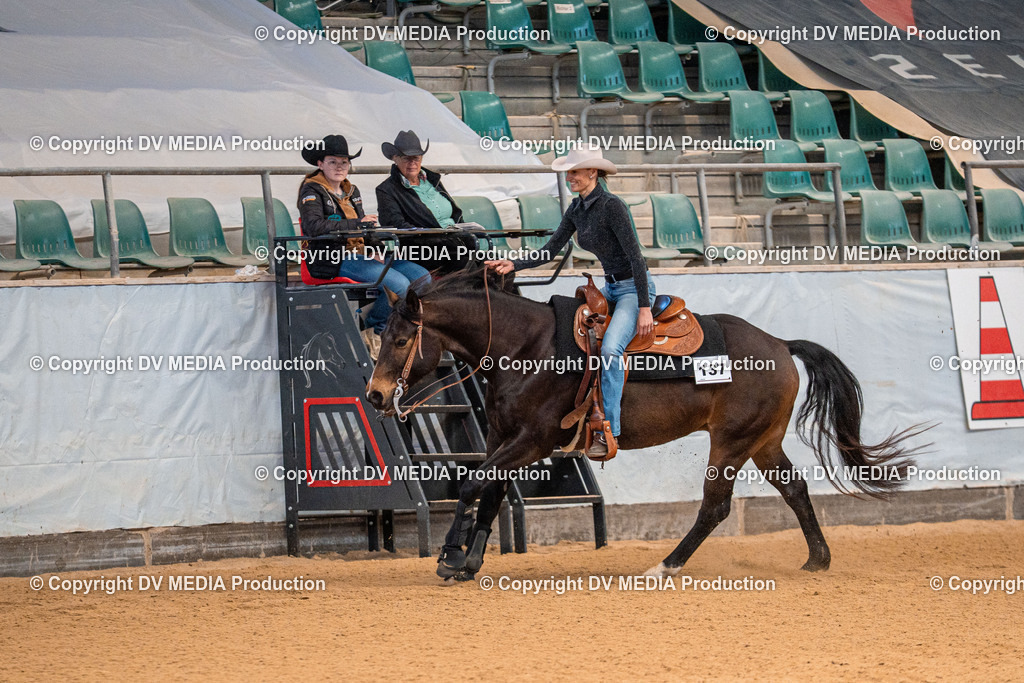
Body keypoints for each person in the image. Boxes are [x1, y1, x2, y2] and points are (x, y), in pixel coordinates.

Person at [485, 146, 654, 458]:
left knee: (612, 348)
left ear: (592, 172)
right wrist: (514, 265)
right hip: (610, 288)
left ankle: (610, 429)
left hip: (632, 289)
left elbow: (636, 257)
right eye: (568, 173)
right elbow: (550, 250)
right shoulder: (577, 209)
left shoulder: (612, 206)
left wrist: (644, 306)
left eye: (575, 172)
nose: (569, 178)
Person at [297, 134, 429, 359]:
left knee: (422, 279)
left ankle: (382, 325)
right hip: (331, 258)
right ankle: (376, 329)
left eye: (344, 162)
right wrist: (358, 224)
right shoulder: (311, 190)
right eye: (333, 162)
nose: (339, 167)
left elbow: (364, 230)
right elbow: (313, 226)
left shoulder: (352, 191)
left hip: (360, 254)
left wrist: (375, 246)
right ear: (320, 164)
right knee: (398, 284)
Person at [375, 130, 476, 274]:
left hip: (456, 242)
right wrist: (437, 238)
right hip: (422, 250)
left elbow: (455, 215)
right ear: (395, 158)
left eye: (416, 158)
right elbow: (396, 226)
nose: (412, 163)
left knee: (497, 265)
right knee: (466, 264)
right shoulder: (386, 190)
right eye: (406, 158)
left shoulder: (432, 180)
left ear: (421, 159)